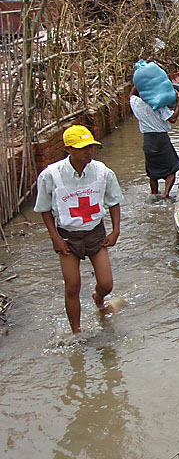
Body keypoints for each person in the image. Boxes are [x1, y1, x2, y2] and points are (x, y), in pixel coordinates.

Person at [34, 125, 123, 333]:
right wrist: (54, 237)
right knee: (72, 287)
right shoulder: (51, 175)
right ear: (68, 149)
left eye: (91, 147)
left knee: (106, 283)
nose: (89, 152)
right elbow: (44, 209)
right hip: (67, 237)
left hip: (95, 233)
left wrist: (115, 230)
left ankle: (99, 298)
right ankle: (76, 331)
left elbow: (114, 201)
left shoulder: (103, 172)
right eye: (82, 148)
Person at [129, 85, 179, 200]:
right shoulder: (158, 104)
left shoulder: (136, 103)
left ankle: (154, 194)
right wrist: (178, 101)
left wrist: (138, 83)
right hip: (161, 139)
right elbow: (173, 119)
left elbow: (131, 95)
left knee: (152, 172)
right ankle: (165, 194)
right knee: (172, 168)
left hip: (148, 141)